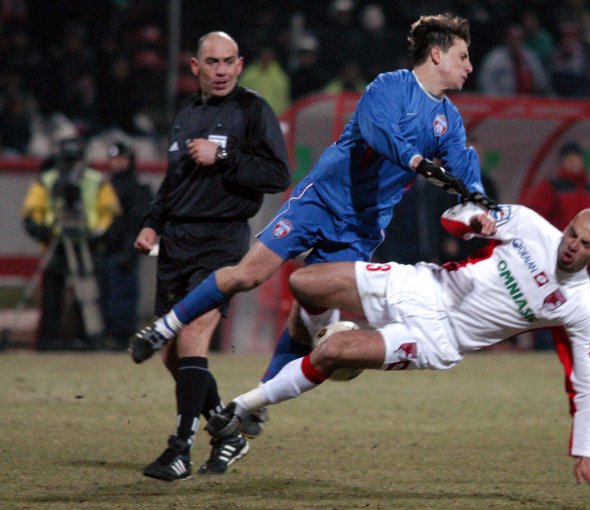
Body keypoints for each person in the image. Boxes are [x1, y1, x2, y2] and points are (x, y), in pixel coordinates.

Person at [131, 13, 485, 444]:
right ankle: (163, 328)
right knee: (249, 273)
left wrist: (482, 204)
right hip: (319, 201)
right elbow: (378, 132)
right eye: (463, 56)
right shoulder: (389, 87)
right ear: (436, 53)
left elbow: (465, 170)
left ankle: (254, 403)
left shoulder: (449, 119)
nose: (470, 66)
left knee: (309, 318)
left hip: (361, 230)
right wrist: (416, 162)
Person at [207, 202, 590, 500]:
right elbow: (453, 214)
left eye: (586, 244)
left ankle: (244, 405)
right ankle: (324, 345)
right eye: (572, 234)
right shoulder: (528, 224)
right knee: (306, 283)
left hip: (438, 340)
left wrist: (584, 453)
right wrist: (473, 221)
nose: (573, 245)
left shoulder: (579, 306)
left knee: (335, 351)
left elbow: (585, 381)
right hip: (422, 285)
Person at [132, 31, 291, 481]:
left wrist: (224, 156)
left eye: (228, 62)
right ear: (195, 68)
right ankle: (226, 430)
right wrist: (151, 222)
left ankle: (179, 448)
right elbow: (173, 183)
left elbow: (278, 174)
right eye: (212, 62)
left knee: (192, 336)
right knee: (172, 356)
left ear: (240, 65)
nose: (221, 70)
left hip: (221, 241)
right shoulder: (184, 115)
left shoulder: (253, 110)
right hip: (176, 242)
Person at [21, 137, 121, 350]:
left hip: (87, 243)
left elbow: (111, 212)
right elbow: (31, 212)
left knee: (87, 294)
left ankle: (89, 338)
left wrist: (98, 235)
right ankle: (48, 340)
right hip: (56, 244)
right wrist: (43, 232)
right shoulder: (47, 180)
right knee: (51, 295)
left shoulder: (96, 180)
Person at [526, 139, 590, 350]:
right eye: (569, 159)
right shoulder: (551, 186)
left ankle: (589, 346)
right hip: (556, 255)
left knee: (582, 302)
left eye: (576, 159)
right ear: (562, 162)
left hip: (585, 259)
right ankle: (544, 347)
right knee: (549, 300)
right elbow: (537, 218)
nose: (573, 163)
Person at [95, 142, 153, 350]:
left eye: (121, 159)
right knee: (106, 295)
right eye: (113, 159)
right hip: (106, 249)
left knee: (124, 294)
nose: (116, 163)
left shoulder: (138, 186)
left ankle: (122, 336)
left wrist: (131, 249)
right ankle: (109, 333)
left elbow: (139, 219)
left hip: (125, 250)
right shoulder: (105, 185)